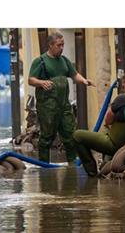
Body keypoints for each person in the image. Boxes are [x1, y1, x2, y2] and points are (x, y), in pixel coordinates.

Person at [73, 70, 125, 176]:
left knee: (77, 136)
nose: (124, 89)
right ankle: (106, 163)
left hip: (117, 145)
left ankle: (92, 172)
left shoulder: (123, 98)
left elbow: (108, 120)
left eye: (124, 86)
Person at [28, 31, 93, 164]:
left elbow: (74, 75)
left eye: (63, 45)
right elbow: (30, 80)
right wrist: (41, 82)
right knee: (46, 137)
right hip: (48, 107)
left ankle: (72, 163)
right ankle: (44, 166)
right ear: (50, 45)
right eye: (59, 45)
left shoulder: (64, 61)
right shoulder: (40, 61)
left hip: (64, 105)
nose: (62, 48)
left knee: (70, 135)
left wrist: (84, 81)